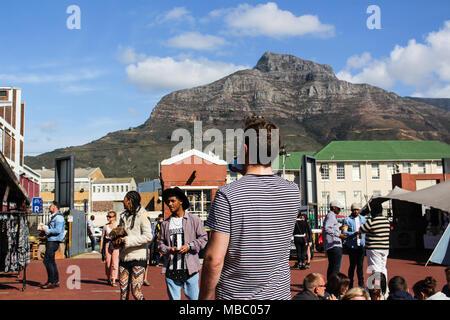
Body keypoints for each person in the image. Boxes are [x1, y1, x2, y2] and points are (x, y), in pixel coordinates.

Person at [199, 117, 301, 300]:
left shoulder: (227, 195)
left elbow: (214, 260)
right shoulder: (292, 191)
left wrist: (204, 298)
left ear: (245, 150)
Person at [158, 187, 207, 300]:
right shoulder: (165, 224)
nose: (169, 204)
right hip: (171, 270)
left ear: (181, 201)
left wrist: (189, 246)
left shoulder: (194, 220)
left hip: (190, 270)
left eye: (172, 201)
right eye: (168, 202)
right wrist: (169, 249)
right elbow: (160, 244)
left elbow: (203, 239)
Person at [116, 191, 153, 300]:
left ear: (130, 201)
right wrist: (116, 240)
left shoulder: (143, 215)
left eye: (125, 199)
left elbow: (148, 236)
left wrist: (127, 240)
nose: (123, 201)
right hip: (124, 257)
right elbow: (120, 233)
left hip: (138, 257)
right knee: (123, 293)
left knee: (136, 292)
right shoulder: (123, 215)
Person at [357, 202, 390, 281]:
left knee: (374, 268)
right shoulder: (386, 221)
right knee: (383, 268)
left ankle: (375, 288)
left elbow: (361, 230)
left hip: (374, 248)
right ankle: (384, 288)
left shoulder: (372, 221)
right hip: (385, 248)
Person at [39, 201, 65, 289]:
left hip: (53, 242)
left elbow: (57, 230)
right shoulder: (54, 217)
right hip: (51, 241)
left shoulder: (59, 218)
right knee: (51, 261)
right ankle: (54, 281)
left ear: (55, 207)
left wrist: (47, 230)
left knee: (47, 261)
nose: (49, 207)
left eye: (50, 206)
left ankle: (52, 281)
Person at [342, 203, 366, 288]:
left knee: (360, 266)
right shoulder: (347, 220)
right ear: (351, 210)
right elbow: (344, 232)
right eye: (354, 210)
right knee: (352, 266)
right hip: (352, 246)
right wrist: (353, 233)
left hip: (361, 245)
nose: (356, 211)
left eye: (357, 209)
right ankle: (350, 284)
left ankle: (361, 284)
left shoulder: (363, 219)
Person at [323, 200, 347, 280]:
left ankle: (330, 283)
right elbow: (327, 228)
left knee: (332, 267)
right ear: (334, 208)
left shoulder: (330, 216)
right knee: (335, 268)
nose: (339, 210)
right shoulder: (331, 216)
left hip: (332, 245)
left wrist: (339, 228)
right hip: (334, 245)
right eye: (338, 208)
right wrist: (339, 234)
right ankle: (334, 284)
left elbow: (329, 227)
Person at [100, 210, 119, 287]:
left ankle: (113, 279)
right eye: (107, 216)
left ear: (114, 217)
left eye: (110, 217)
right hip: (107, 244)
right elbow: (102, 237)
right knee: (108, 263)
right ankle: (108, 277)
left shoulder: (117, 226)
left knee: (115, 263)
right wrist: (101, 247)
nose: (108, 218)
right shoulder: (105, 226)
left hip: (115, 245)